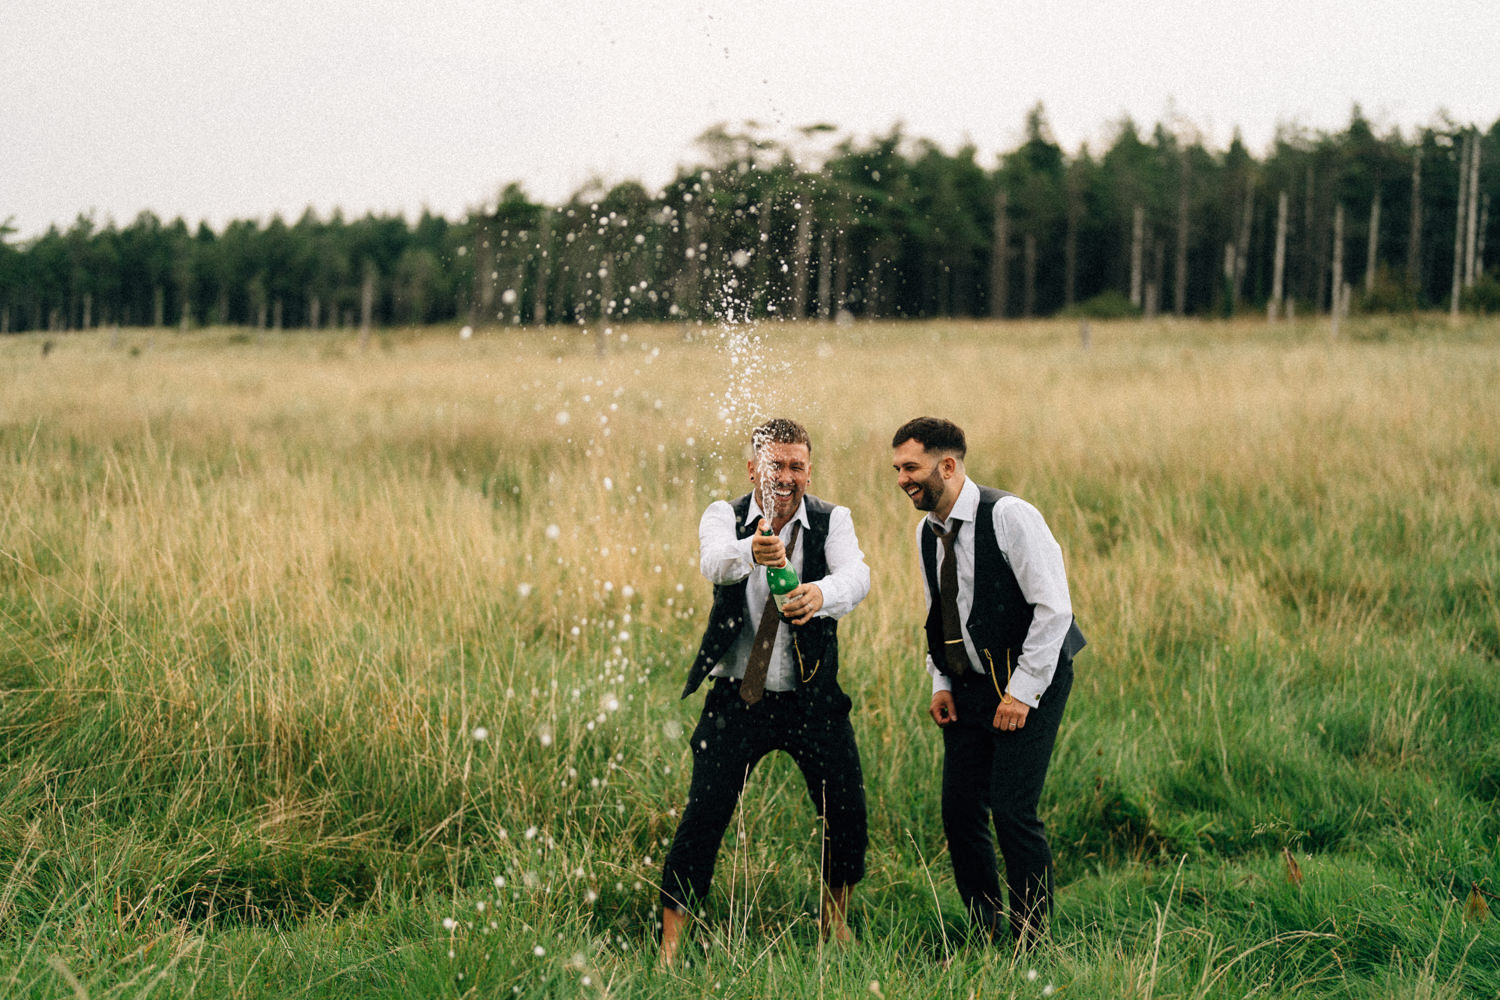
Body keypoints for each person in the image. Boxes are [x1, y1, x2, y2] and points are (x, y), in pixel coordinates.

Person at [658, 417, 871, 966]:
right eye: (776, 464)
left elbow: (857, 576)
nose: (787, 475)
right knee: (704, 814)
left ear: (808, 468)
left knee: (846, 810)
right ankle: (670, 947)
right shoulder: (723, 517)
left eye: (797, 465)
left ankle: (835, 923)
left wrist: (820, 594)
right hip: (738, 696)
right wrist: (752, 550)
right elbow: (713, 562)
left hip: (812, 696)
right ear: (754, 467)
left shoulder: (832, 520)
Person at [890, 416, 1086, 949]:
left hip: (1034, 677)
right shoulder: (924, 530)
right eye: (898, 469)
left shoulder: (1010, 517)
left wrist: (1022, 692)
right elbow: (941, 614)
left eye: (912, 467)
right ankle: (984, 930)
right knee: (959, 813)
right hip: (968, 685)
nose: (903, 479)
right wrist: (940, 682)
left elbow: (1054, 610)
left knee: (1013, 811)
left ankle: (1030, 942)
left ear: (947, 466)